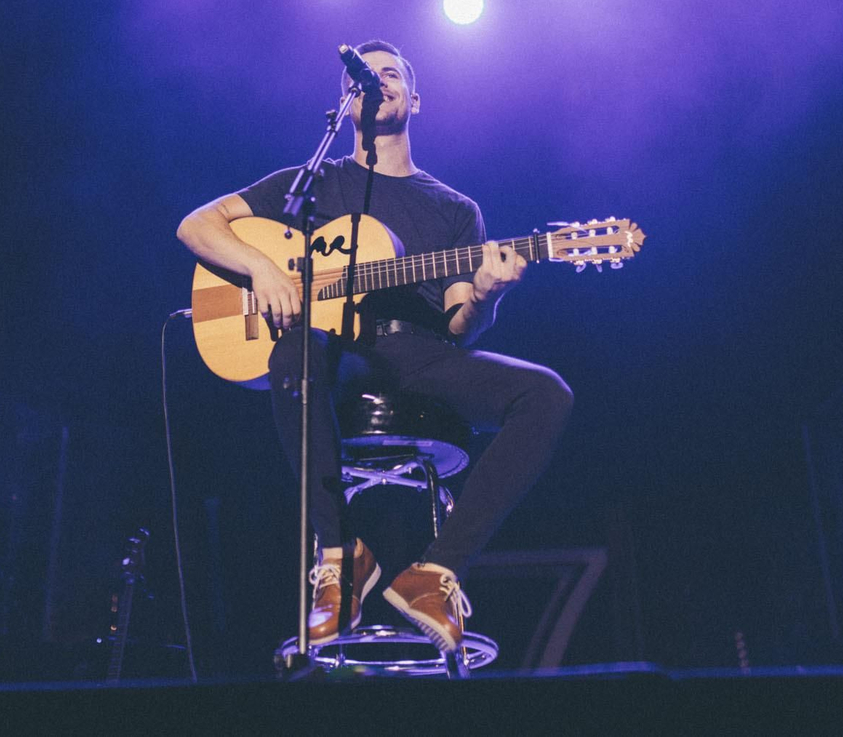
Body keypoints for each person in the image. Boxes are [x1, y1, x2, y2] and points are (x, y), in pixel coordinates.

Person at [176, 40, 572, 654]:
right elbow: (196, 224)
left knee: (546, 394)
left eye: (392, 74)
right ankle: (340, 553)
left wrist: (489, 292)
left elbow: (459, 324)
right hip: (335, 352)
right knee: (298, 347)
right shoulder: (312, 184)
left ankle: (436, 575)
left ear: (414, 98)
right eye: (367, 75)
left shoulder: (453, 208)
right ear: (347, 99)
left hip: (419, 355)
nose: (379, 81)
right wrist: (263, 270)